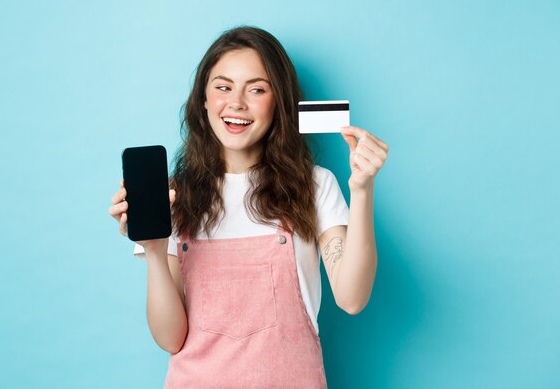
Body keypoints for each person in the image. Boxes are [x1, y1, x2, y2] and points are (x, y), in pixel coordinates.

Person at [108, 26, 389, 389]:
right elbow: (170, 339)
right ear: (203, 100)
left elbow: (352, 298)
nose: (237, 103)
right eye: (223, 87)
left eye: (257, 89)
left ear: (279, 102)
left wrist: (362, 189)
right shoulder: (173, 197)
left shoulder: (315, 185)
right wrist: (155, 249)